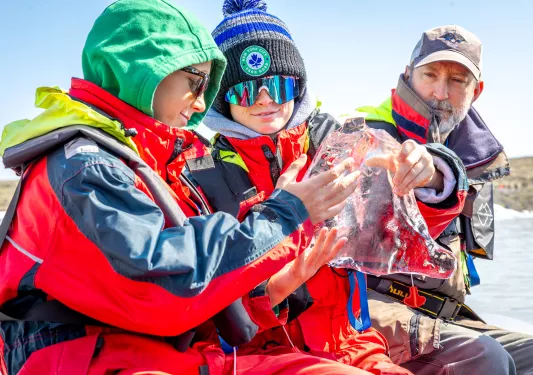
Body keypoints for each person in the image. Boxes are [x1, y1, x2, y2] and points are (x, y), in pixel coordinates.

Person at [0, 1, 361, 374]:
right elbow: (163, 288)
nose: (203, 101)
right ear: (143, 69)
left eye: (209, 86)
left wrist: (269, 293)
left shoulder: (148, 161)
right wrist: (286, 214)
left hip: (164, 351)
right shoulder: (87, 166)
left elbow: (189, 298)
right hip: (85, 356)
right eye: (195, 82)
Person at [201, 2, 468, 374]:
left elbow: (406, 225)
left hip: (348, 342)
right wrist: (280, 281)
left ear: (298, 86)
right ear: (220, 98)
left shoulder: (340, 141)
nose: (265, 100)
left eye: (279, 85)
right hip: (252, 353)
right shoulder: (199, 173)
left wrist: (429, 176)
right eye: (245, 92)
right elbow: (203, 305)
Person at [357, 25, 533, 375]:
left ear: (476, 91)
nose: (440, 91)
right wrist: (432, 176)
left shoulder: (474, 154)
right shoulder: (367, 136)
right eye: (430, 74)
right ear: (408, 75)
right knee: (487, 358)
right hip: (368, 307)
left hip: (441, 314)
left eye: (458, 80)